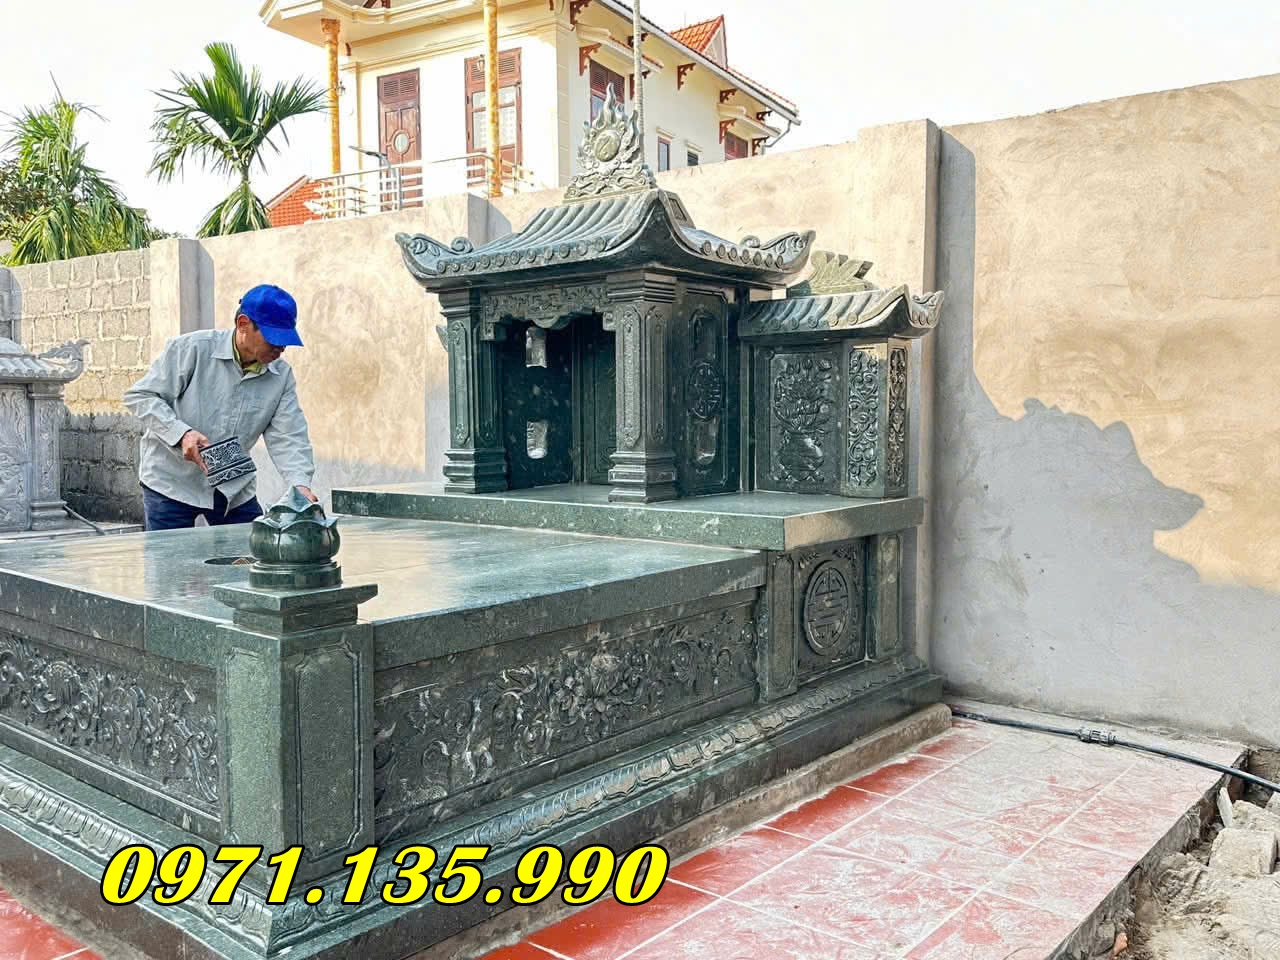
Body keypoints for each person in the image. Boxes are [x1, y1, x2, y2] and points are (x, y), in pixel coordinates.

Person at [123, 284, 317, 531]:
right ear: (243, 324)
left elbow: (289, 436)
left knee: (251, 552)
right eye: (274, 338)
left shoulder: (281, 376)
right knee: (171, 556)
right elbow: (141, 396)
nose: (281, 348)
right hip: (171, 483)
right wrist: (181, 434)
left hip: (233, 488)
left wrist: (300, 485)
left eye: (286, 340)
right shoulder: (191, 349)